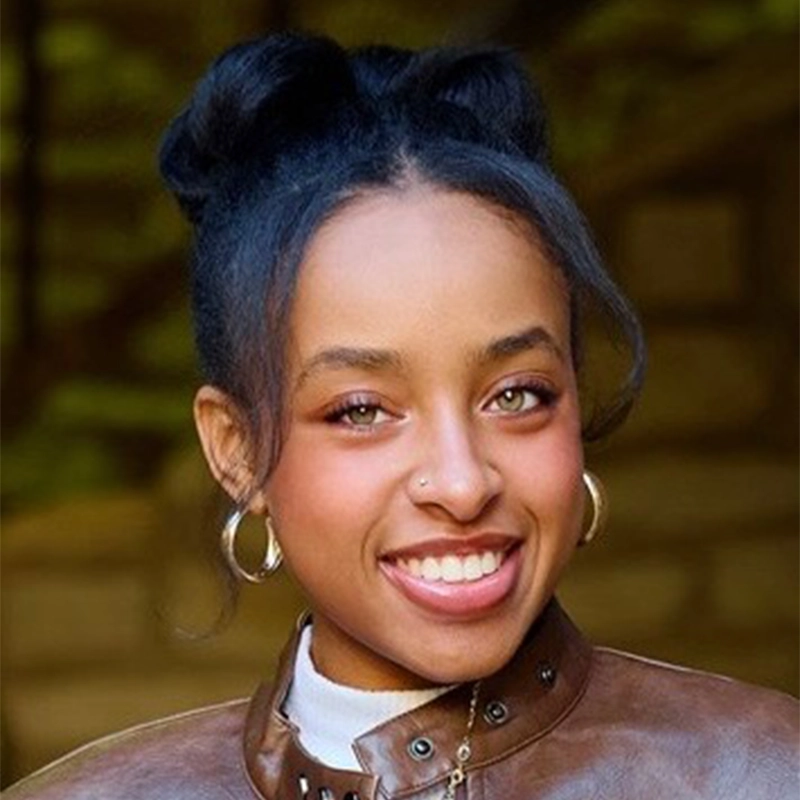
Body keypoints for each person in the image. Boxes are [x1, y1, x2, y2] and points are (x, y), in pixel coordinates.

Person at [5, 32, 797, 800]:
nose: (460, 483)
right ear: (237, 450)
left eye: (517, 395)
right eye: (362, 410)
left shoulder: (763, 773)